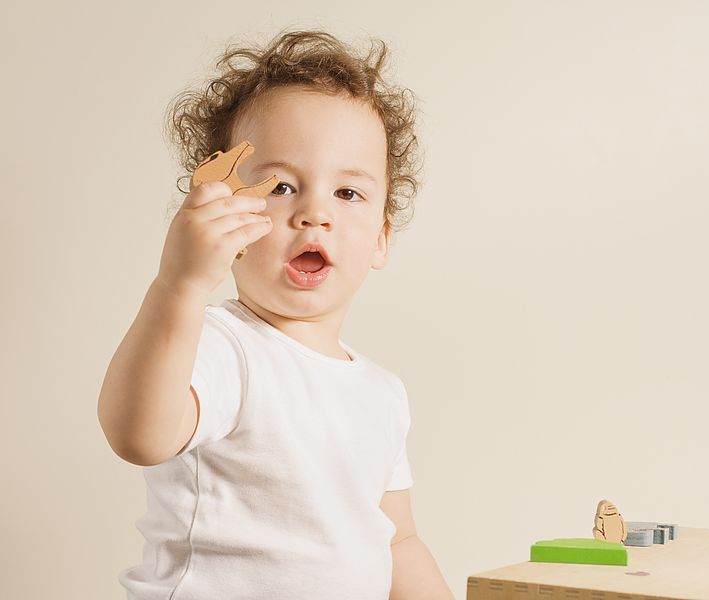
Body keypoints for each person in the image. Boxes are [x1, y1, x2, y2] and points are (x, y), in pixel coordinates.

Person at [97, 28, 455, 600]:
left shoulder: (382, 394)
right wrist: (180, 284)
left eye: (348, 194)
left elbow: (397, 542)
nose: (314, 213)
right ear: (225, 215)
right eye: (282, 185)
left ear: (381, 240)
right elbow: (139, 435)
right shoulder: (221, 346)